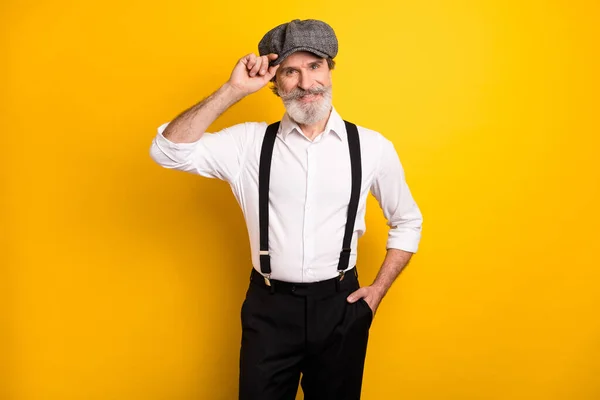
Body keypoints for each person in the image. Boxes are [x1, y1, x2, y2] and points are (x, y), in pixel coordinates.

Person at [149, 18, 423, 400]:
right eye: (290, 72)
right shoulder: (247, 144)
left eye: (314, 67)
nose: (306, 83)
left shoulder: (372, 147)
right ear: (275, 85)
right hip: (269, 309)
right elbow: (166, 151)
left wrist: (377, 290)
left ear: (330, 70)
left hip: (341, 307)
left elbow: (408, 221)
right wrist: (232, 90)